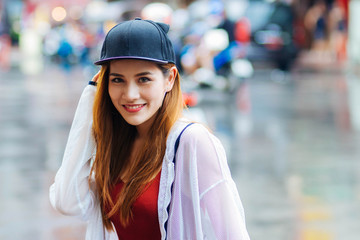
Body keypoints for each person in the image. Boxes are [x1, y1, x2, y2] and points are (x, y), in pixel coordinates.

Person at [49, 18, 250, 240]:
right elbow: (66, 201)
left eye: (143, 79)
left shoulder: (193, 142)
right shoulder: (114, 141)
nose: (130, 94)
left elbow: (232, 234)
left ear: (169, 79)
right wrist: (89, 102)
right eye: (117, 80)